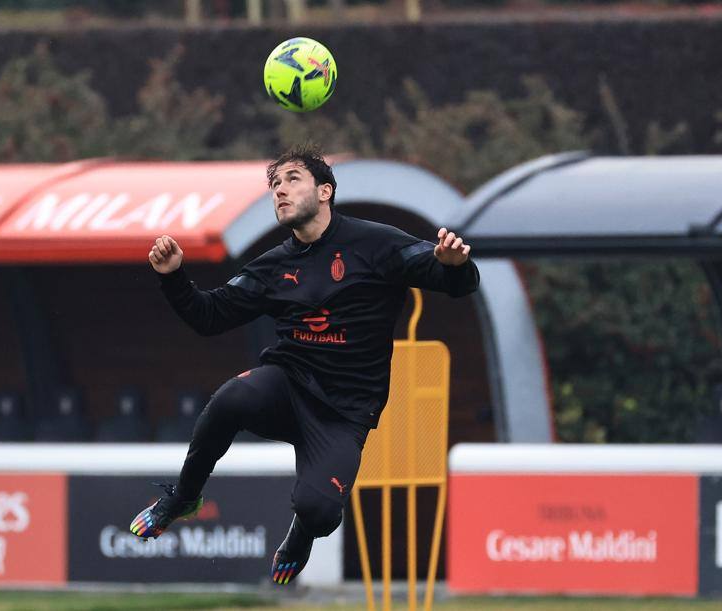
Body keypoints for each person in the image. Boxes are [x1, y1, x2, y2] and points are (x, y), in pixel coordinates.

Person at [127, 144, 479, 585]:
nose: (279, 191)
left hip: (344, 413)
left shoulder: (375, 243)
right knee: (232, 397)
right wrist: (174, 277)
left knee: (320, 510)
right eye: (274, 184)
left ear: (325, 190)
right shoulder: (274, 266)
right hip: (287, 385)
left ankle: (301, 535)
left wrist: (454, 266)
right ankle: (183, 497)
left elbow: (454, 281)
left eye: (292, 179)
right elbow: (208, 317)